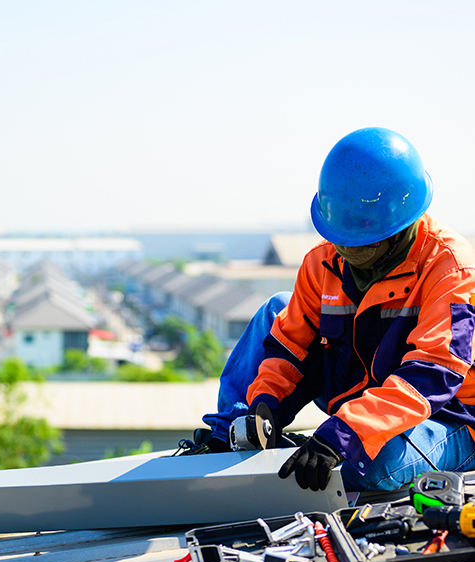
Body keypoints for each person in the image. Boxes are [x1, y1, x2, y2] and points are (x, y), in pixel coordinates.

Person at [192, 127, 475, 493]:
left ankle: (348, 443)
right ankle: (230, 434)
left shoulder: (450, 269)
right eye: (339, 239)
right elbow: (291, 347)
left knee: (371, 463)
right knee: (276, 309)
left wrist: (343, 436)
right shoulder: (323, 263)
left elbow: (432, 376)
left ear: (398, 225)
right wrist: (266, 405)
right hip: (361, 399)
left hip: (445, 416)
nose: (344, 251)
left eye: (359, 243)